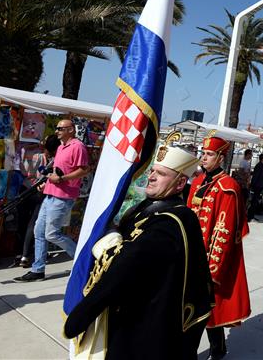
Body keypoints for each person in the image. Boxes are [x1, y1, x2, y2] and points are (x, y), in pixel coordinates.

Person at [63, 146, 214, 358]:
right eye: (152, 170)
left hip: (145, 325)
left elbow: (125, 266)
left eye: (161, 174)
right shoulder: (151, 205)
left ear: (180, 183)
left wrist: (83, 313)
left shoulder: (172, 222)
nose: (151, 177)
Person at [187, 133, 250, 360]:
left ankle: (216, 349)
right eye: (203, 153)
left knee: (210, 310)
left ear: (221, 158)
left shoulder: (228, 187)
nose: (204, 158)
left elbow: (223, 232)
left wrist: (213, 269)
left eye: (210, 154)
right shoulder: (197, 182)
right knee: (195, 309)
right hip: (191, 253)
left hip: (208, 258)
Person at [16, 119, 89, 282]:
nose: (57, 131)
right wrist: (47, 181)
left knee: (51, 234)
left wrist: (62, 178)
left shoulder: (77, 147)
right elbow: (57, 171)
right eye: (57, 128)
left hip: (63, 197)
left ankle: (80, 260)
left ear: (70, 130)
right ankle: (37, 270)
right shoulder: (61, 147)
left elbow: (84, 170)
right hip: (50, 194)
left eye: (60, 129)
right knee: (39, 232)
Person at [13, 134, 61, 268]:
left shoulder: (33, 154)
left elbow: (21, 162)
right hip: (40, 192)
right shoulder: (55, 160)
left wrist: (34, 145)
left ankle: (18, 253)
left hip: (25, 188)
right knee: (33, 223)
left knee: (22, 221)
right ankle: (25, 255)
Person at [248, 153, 263, 221]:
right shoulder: (259, 166)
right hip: (257, 187)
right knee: (254, 202)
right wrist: (253, 186)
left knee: (255, 202)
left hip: (259, 186)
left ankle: (252, 215)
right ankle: (250, 216)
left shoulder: (261, 165)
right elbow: (256, 176)